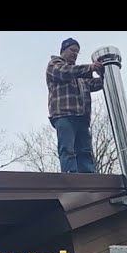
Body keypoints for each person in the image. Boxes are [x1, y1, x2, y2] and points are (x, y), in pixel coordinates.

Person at [46, 38, 104, 173]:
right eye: (72, 50)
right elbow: (65, 72)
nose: (75, 54)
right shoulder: (54, 64)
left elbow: (94, 84)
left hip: (82, 117)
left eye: (77, 52)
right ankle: (71, 178)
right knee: (68, 149)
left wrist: (106, 73)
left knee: (85, 151)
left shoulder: (81, 75)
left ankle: (90, 179)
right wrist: (90, 68)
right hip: (64, 115)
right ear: (63, 50)